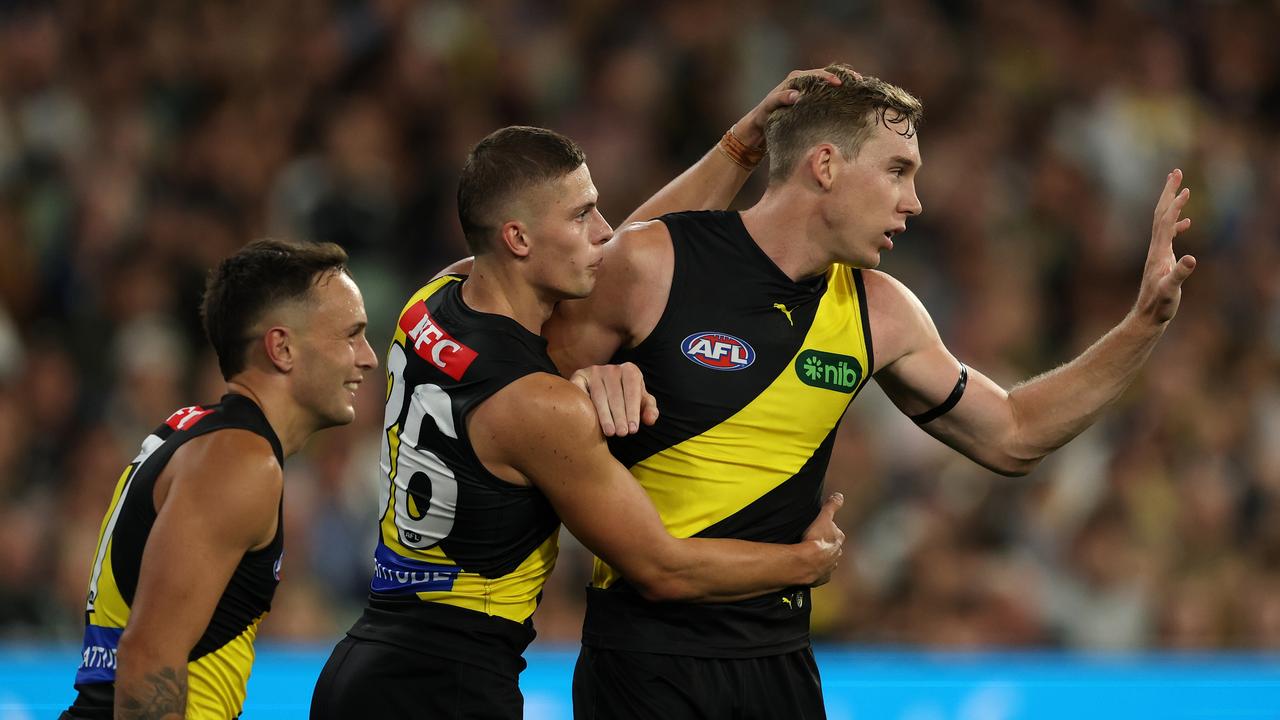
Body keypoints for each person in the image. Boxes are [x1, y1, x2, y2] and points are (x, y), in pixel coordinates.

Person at [543, 64, 1197, 718]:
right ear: (825, 165)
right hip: (644, 661)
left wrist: (1144, 324)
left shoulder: (878, 313)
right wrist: (582, 384)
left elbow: (1014, 435)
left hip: (779, 665)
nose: (914, 200)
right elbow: (526, 385)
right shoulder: (654, 264)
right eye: (897, 170)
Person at [309, 72, 849, 720]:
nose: (603, 231)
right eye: (581, 215)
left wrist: (740, 146)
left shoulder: (432, 301)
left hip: (366, 662)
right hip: (450, 688)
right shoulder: (541, 408)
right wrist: (801, 563)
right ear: (517, 239)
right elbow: (661, 566)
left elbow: (623, 256)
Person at [61, 239, 379, 720]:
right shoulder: (238, 462)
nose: (368, 358)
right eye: (351, 335)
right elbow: (148, 656)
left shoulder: (198, 433)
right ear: (282, 347)